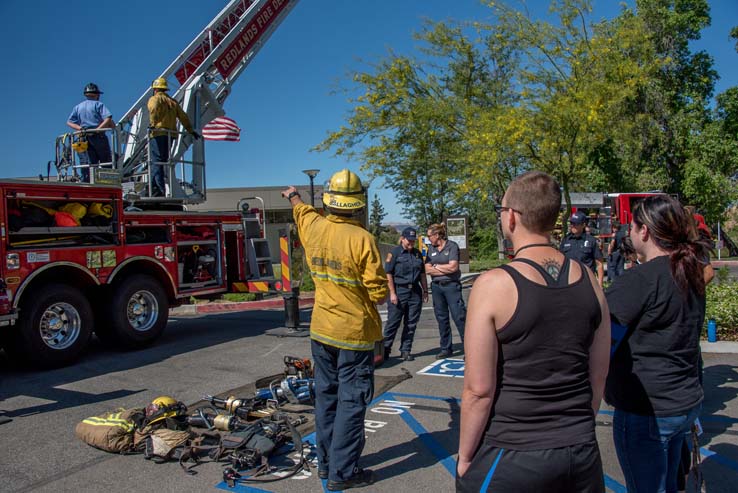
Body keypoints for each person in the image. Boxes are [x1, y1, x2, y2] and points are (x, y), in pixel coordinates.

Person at [457, 171, 610, 493]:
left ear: (511, 217)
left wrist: (465, 456)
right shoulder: (590, 281)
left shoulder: (493, 285)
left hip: (514, 451)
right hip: (581, 452)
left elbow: (478, 391)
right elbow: (598, 375)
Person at [281, 169, 388, 491]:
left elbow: (301, 210)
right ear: (357, 205)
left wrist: (294, 196)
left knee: (326, 400)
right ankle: (343, 473)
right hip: (354, 335)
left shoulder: (314, 227)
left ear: (329, 200)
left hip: (321, 330)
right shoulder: (363, 240)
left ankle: (326, 466)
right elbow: (379, 292)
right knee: (351, 403)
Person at [605, 195, 711, 493]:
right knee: (668, 483)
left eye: (632, 226)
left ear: (645, 231)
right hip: (683, 401)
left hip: (648, 408)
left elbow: (601, 337)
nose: (628, 232)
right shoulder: (691, 271)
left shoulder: (641, 279)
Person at [147, 77, 200, 197]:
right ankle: (158, 189)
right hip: (170, 136)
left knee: (156, 162)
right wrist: (191, 130)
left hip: (158, 134)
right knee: (163, 161)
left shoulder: (155, 99)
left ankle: (157, 190)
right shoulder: (172, 102)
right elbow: (183, 117)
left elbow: (153, 109)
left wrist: (153, 124)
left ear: (155, 88)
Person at [382, 227, 428, 362]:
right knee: (393, 323)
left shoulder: (418, 254)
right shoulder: (394, 253)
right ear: (403, 238)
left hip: (414, 292)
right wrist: (392, 293)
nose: (411, 243)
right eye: (409, 240)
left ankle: (406, 350)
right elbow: (388, 274)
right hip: (399, 291)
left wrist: (425, 290)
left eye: (413, 241)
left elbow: (422, 274)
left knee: (411, 323)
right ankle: (385, 350)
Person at [426, 222, 466, 359]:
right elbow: (426, 268)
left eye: (429, 236)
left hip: (451, 286)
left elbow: (453, 268)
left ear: (437, 235)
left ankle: (469, 348)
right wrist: (443, 267)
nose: (428, 238)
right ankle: (446, 348)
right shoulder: (430, 249)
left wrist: (435, 266)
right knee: (441, 318)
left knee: (459, 317)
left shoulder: (452, 246)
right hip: (437, 287)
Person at [67, 83, 115, 182]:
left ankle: (88, 182)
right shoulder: (98, 105)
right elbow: (108, 118)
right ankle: (109, 183)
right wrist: (98, 129)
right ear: (97, 95)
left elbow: (69, 122)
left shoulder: (78, 107)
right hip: (98, 137)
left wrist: (80, 129)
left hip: (84, 138)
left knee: (88, 163)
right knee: (106, 162)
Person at [560, 210, 605, 287]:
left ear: (583, 225)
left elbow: (599, 264)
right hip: (569, 283)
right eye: (571, 223)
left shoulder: (591, 241)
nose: (572, 226)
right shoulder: (565, 240)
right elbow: (560, 262)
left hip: (586, 283)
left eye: (576, 223)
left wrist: (600, 285)